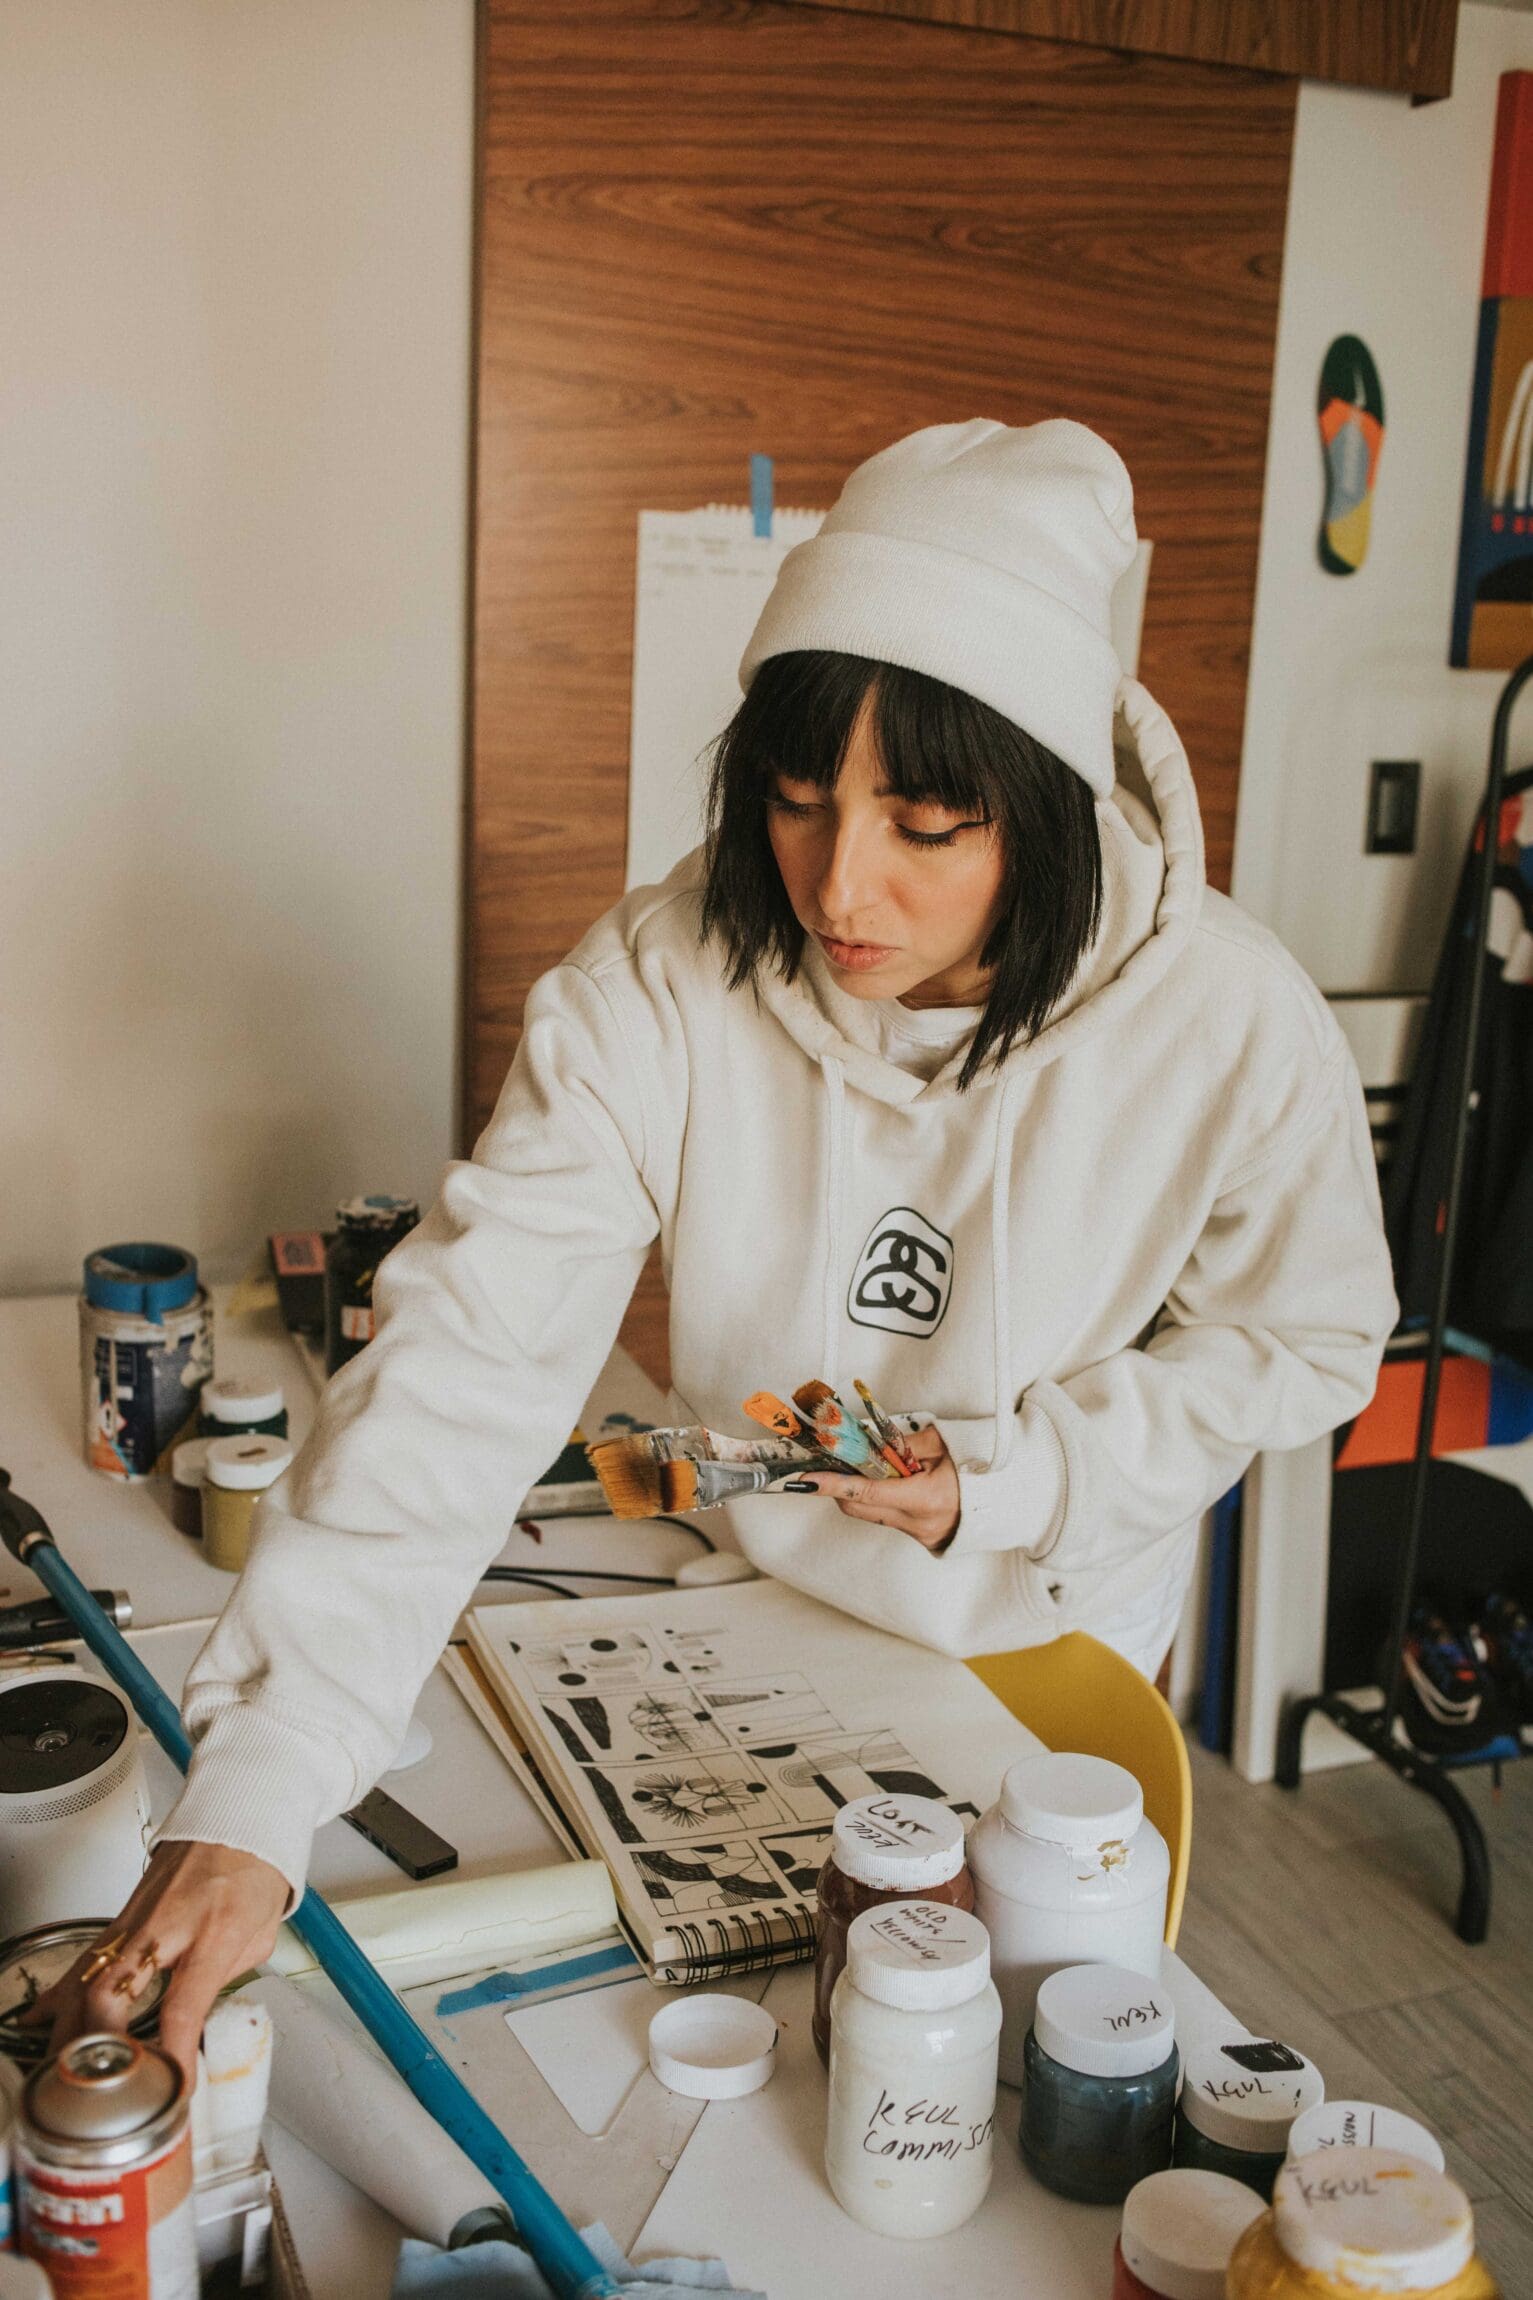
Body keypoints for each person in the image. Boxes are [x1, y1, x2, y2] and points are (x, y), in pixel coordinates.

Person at [39, 419, 1397, 2071]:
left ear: (1040, 812)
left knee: (917, 2065)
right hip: (746, 1585)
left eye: (926, 827)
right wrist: (265, 1775)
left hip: (1032, 1657)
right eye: (799, 801)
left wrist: (1017, 1476)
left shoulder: (1229, 1020)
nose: (842, 888)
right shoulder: (665, 973)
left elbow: (1312, 1345)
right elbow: (473, 1351)